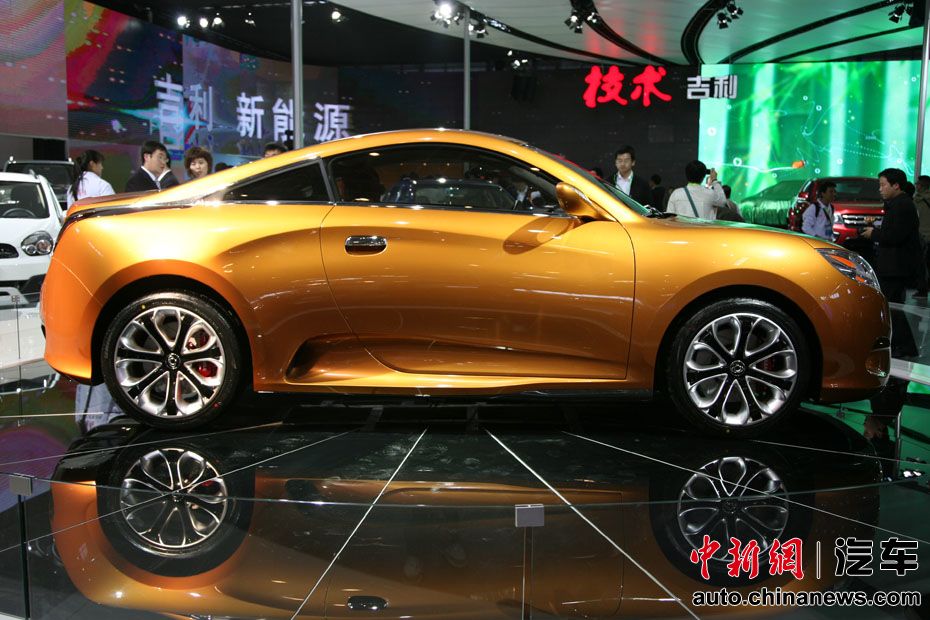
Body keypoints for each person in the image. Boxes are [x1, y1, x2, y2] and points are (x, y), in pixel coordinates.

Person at [862, 168, 921, 356]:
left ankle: (904, 345)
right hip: (894, 265)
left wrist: (873, 233)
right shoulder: (898, 204)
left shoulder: (901, 205)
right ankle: (901, 344)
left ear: (896, 185)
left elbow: (895, 235)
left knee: (892, 307)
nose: (880, 189)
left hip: (896, 266)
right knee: (892, 305)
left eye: (883, 185)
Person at [913, 175, 930, 297]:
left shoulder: (917, 200)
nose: (916, 186)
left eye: (917, 184)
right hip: (926, 235)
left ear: (922, 186)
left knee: (921, 264)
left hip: (922, 235)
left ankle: (922, 288)